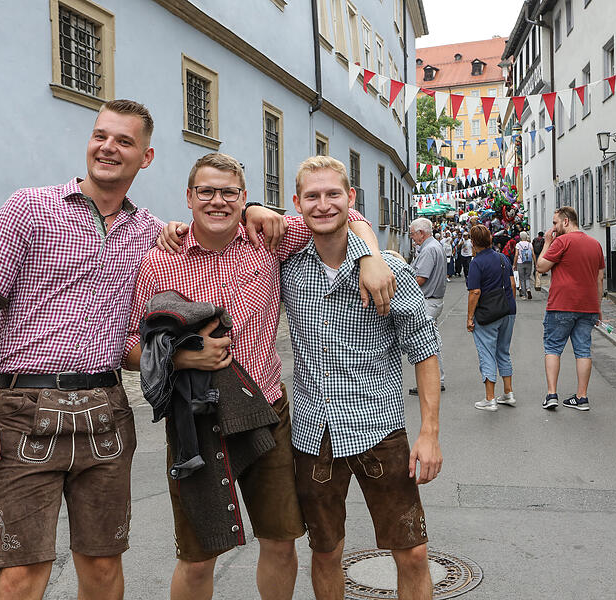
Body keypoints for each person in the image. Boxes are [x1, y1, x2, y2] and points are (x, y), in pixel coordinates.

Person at [122, 152, 395, 600]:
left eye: (229, 193)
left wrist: (368, 254)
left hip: (267, 408)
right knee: (197, 556)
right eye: (206, 192)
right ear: (188, 198)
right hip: (197, 420)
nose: (217, 201)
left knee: (280, 541)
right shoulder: (157, 261)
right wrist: (184, 357)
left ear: (243, 198)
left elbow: (340, 213)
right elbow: (130, 346)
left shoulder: (267, 241)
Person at [0, 99, 163, 600]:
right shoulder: (30, 207)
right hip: (26, 410)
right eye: (101, 135)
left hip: (107, 411)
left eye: (124, 141)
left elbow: (221, 226)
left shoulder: (152, 232)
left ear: (146, 157)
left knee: (103, 565)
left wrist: (260, 209)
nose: (108, 147)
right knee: (21, 573)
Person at [281, 156, 442, 600]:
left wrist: (429, 434)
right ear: (297, 204)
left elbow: (425, 353)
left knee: (412, 552)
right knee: (326, 551)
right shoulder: (288, 270)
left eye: (333, 193)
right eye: (312, 196)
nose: (323, 204)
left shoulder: (391, 273)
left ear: (351, 200)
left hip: (379, 430)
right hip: (314, 434)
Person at [536, 206, 605, 411]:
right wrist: (598, 307)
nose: (553, 228)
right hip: (588, 305)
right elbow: (599, 278)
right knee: (583, 350)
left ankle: (551, 395)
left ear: (566, 221)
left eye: (555, 223)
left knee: (553, 348)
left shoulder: (561, 242)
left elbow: (541, 266)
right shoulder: (595, 244)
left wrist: (548, 242)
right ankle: (581, 397)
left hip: (561, 304)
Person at [465, 225, 517, 411]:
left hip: (488, 313)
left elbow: (475, 292)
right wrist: (509, 305)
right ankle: (508, 393)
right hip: (508, 310)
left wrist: (470, 317)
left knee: (487, 352)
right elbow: (512, 284)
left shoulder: (476, 263)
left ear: (473, 242)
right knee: (503, 351)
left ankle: (490, 398)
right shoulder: (503, 257)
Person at [408, 217, 446, 393]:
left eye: (413, 235)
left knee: (426, 344)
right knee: (432, 341)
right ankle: (437, 379)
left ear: (421, 233)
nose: (412, 238)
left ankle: (433, 381)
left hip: (428, 301)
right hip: (433, 300)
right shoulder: (434, 246)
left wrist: (403, 287)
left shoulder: (429, 249)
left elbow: (420, 278)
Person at [513, 231, 535, 300]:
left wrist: (514, 264)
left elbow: (516, 255)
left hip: (520, 262)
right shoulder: (530, 244)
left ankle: (524, 295)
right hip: (529, 262)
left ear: (520, 237)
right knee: (527, 277)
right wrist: (535, 263)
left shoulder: (518, 244)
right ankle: (528, 289)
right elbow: (533, 254)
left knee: (522, 279)